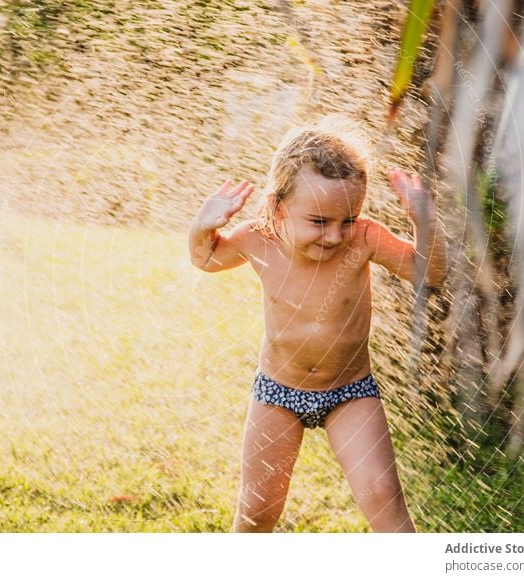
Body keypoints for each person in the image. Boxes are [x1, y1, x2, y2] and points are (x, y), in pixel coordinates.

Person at [187, 116, 447, 532]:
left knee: (383, 496)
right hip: (276, 393)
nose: (335, 236)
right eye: (319, 222)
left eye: (347, 219)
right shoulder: (258, 239)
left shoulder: (364, 239)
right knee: (257, 511)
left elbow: (429, 273)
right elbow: (206, 259)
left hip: (350, 392)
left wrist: (424, 223)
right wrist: (203, 225)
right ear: (278, 207)